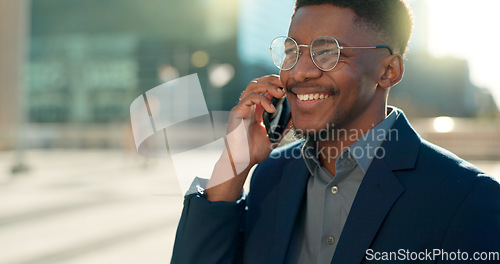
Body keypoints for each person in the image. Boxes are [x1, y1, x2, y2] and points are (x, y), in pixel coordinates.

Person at [171, 0, 500, 263]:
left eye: (327, 52)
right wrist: (233, 164)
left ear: (389, 71)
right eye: (291, 51)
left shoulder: (468, 199)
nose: (298, 72)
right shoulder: (270, 177)